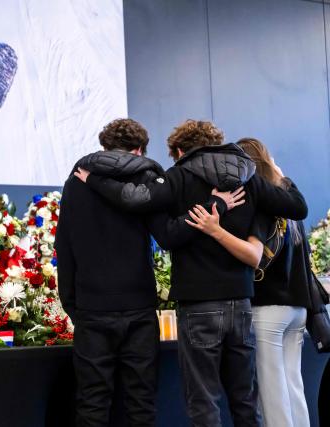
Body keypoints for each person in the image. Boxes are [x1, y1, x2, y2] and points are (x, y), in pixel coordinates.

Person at [74, 120, 308, 427]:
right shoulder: (247, 176)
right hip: (241, 302)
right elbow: (298, 207)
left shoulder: (178, 177)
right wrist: (276, 174)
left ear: (180, 151)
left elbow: (156, 223)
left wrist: (94, 180)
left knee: (203, 401)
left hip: (199, 303)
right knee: (245, 401)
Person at [55, 118, 241, 427]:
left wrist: (72, 303)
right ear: (140, 149)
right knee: (141, 402)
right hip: (139, 307)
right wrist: (215, 206)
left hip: (91, 306)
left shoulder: (77, 181)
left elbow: (65, 243)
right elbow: (169, 234)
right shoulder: (146, 179)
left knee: (92, 402)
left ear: (104, 147)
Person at [185, 137, 311, 427]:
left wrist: (216, 231)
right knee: (294, 388)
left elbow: (254, 255)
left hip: (267, 309)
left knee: (272, 394)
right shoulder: (290, 206)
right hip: (297, 309)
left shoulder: (260, 203)